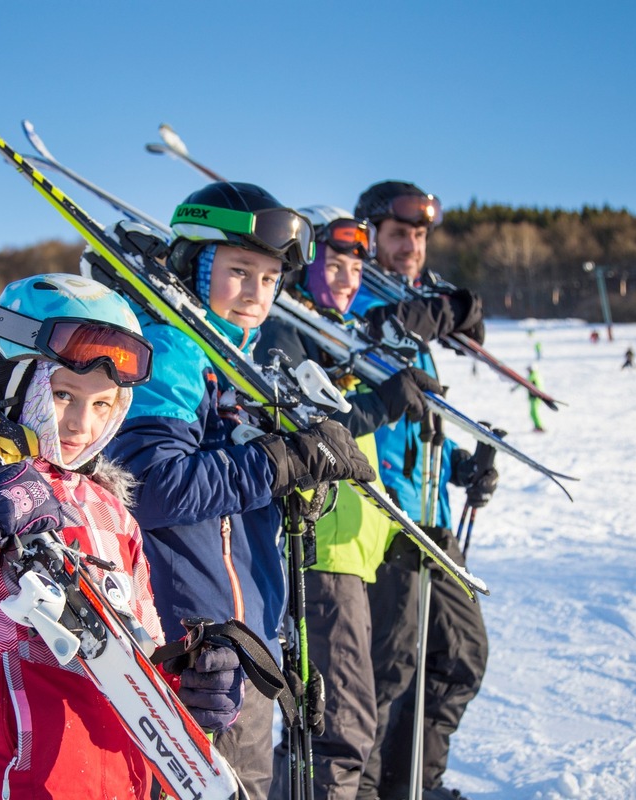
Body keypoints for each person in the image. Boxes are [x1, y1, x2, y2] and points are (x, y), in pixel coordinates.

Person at [0, 274, 243, 800]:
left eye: (103, 405)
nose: (82, 424)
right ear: (14, 380)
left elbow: (127, 662)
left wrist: (186, 684)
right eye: (62, 394)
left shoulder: (109, 511)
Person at [103, 183, 377, 799]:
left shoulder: (240, 365)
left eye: (271, 277)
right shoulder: (171, 354)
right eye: (239, 272)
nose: (257, 293)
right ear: (194, 268)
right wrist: (278, 462)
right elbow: (151, 487)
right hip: (197, 647)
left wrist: (292, 483)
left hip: (243, 638)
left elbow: (230, 494)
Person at [255, 206, 462, 800]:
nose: (348, 275)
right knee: (339, 732)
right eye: (334, 261)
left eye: (355, 264)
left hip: (354, 554)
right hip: (318, 554)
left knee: (343, 724)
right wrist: (385, 400)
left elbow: (361, 448)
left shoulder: (337, 337)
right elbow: (315, 431)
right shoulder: (286, 331)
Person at [351, 181, 496, 800]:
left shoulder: (415, 324)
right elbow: (379, 329)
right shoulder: (347, 301)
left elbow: (419, 424)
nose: (412, 245)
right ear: (369, 236)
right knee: (382, 676)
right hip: (382, 524)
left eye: (419, 235)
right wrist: (452, 308)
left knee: (458, 659)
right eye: (399, 233)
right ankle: (356, 790)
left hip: (432, 519)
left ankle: (413, 784)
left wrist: (461, 465)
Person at [527, 365, 546, 433]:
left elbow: (525, 382)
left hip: (536, 397)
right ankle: (537, 426)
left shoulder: (533, 375)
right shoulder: (535, 375)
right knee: (532, 413)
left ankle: (539, 426)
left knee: (534, 413)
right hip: (534, 397)